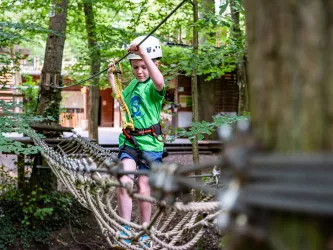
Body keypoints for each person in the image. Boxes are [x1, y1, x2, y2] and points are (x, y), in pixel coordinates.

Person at [107, 35, 165, 247]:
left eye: (144, 66)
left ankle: (146, 232)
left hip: (151, 145)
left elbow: (159, 81)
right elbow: (119, 97)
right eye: (135, 67)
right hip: (130, 142)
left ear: (154, 64)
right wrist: (111, 77)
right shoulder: (132, 84)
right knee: (124, 182)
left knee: (143, 188)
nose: (140, 71)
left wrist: (142, 54)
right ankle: (124, 228)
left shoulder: (153, 87)